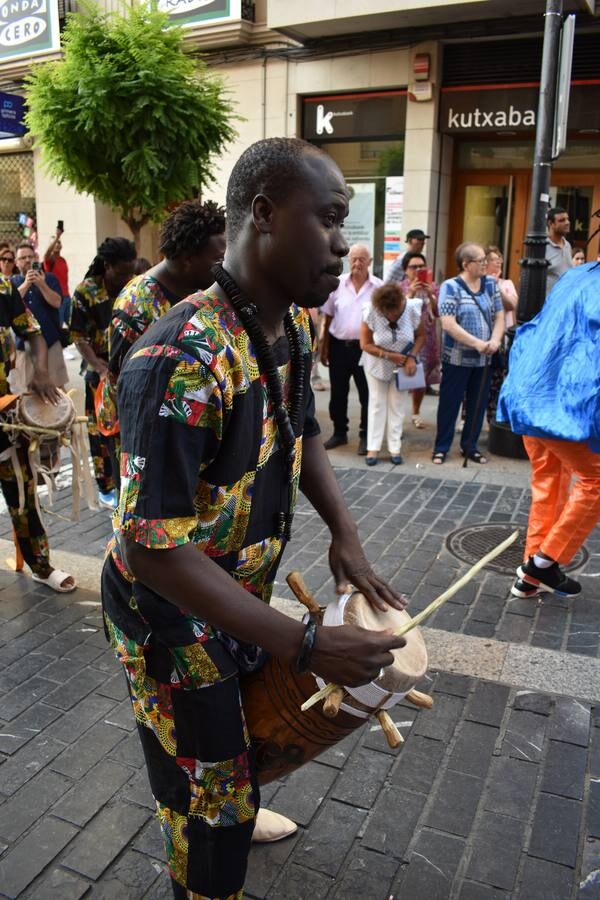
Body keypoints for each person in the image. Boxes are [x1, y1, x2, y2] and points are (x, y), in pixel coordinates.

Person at [101, 137, 407, 900]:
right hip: (168, 615)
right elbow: (154, 553)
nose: (344, 244)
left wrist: (346, 535)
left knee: (235, 769)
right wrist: (304, 642)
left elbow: (300, 431)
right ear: (264, 215)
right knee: (210, 814)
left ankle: (224, 799)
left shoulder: (293, 329)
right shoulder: (180, 356)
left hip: (230, 595)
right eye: (331, 219)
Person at [497, 262, 600, 600]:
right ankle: (544, 563)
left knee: (549, 482)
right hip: (560, 403)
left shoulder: (577, 274)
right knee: (596, 480)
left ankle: (530, 577)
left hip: (530, 392)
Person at [0, 280, 75, 592]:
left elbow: (32, 332)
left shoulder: (3, 290)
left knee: (22, 487)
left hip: (3, 406)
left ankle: (40, 565)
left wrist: (41, 372)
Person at [109, 200, 226, 379]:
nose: (225, 267)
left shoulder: (202, 291)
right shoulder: (136, 304)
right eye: (219, 260)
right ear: (188, 259)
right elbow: (120, 380)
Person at [70, 238, 136, 509]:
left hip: (129, 371)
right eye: (121, 273)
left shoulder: (133, 288)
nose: (126, 278)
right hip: (98, 374)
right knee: (100, 433)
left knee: (128, 431)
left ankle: (127, 483)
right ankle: (105, 487)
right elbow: (78, 335)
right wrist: (99, 367)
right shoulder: (86, 292)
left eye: (130, 273)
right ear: (107, 266)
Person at [431, 242, 504, 465]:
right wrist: (477, 343)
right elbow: (449, 324)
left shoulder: (491, 284)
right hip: (457, 359)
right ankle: (441, 447)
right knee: (450, 404)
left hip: (484, 359)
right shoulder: (450, 287)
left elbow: (500, 316)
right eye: (481, 260)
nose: (485, 264)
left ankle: (469, 446)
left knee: (477, 404)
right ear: (466, 264)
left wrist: (494, 340)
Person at [320, 243, 382, 454]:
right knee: (338, 392)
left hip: (366, 349)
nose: (357, 263)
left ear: (370, 263)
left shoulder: (378, 287)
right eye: (354, 258)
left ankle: (366, 435)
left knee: (367, 394)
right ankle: (339, 432)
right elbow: (327, 318)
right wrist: (324, 346)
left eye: (362, 259)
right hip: (339, 346)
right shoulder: (337, 284)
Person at [359, 281, 424, 466]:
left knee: (397, 405)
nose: (392, 315)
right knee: (377, 404)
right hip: (376, 364)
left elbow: (421, 336)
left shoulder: (412, 308)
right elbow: (364, 344)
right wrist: (388, 355)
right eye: (388, 312)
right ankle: (373, 448)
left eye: (395, 310)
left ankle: (395, 448)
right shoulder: (371, 310)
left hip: (404, 365)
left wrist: (411, 357)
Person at [12, 242, 68, 392]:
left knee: (57, 389)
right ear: (16, 263)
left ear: (36, 258)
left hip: (50, 341)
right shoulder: (13, 282)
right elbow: (9, 306)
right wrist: (26, 284)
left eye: (30, 256)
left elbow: (57, 303)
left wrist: (42, 284)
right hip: (23, 344)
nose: (27, 260)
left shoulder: (50, 278)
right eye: (22, 258)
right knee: (26, 391)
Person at [399, 251, 440, 429]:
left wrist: (431, 295)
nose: (417, 270)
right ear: (405, 270)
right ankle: (397, 416)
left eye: (421, 266)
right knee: (402, 378)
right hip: (405, 339)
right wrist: (411, 293)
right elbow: (398, 313)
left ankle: (416, 411)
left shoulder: (433, 287)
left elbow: (439, 314)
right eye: (413, 267)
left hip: (428, 338)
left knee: (421, 379)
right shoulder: (399, 287)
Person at [484, 245, 518, 424]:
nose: (498, 264)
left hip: (502, 338)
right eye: (494, 260)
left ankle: (492, 417)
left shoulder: (506, 284)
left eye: (500, 260)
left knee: (497, 378)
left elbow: (512, 305)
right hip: (482, 337)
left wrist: (496, 286)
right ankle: (466, 417)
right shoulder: (479, 282)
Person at [43, 226, 70, 327]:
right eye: (55, 242)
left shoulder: (63, 260)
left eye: (59, 242)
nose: (57, 243)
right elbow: (46, 253)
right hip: (57, 298)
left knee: (72, 326)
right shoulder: (49, 260)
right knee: (58, 325)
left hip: (67, 297)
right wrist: (57, 236)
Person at [545, 207, 572, 294]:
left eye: (567, 219)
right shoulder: (542, 246)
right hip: (547, 302)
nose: (567, 222)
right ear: (551, 223)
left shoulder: (567, 245)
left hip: (564, 300)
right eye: (562, 220)